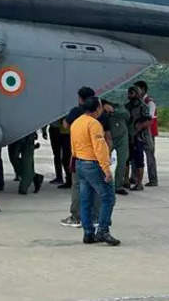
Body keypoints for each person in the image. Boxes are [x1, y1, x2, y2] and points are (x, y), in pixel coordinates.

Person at [70, 96, 120, 245]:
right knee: (108, 197)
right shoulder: (94, 124)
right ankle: (103, 231)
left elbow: (73, 146)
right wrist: (106, 169)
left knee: (86, 199)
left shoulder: (76, 123)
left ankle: (88, 233)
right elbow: (100, 148)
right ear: (97, 109)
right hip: (92, 164)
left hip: (80, 163)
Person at [62, 87, 102, 227]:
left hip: (80, 158)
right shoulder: (100, 117)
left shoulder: (77, 117)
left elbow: (66, 126)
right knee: (97, 188)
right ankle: (95, 217)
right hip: (96, 159)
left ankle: (77, 217)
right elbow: (106, 140)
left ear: (80, 99)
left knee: (78, 187)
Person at [125, 85, 152, 191]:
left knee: (139, 161)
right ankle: (126, 180)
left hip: (138, 137)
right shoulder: (126, 106)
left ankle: (139, 183)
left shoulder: (143, 107)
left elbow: (148, 121)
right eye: (129, 93)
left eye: (131, 93)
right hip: (128, 137)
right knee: (126, 160)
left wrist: (139, 127)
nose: (129, 95)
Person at [102, 99, 131, 196]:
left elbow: (127, 115)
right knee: (103, 161)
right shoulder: (99, 107)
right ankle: (102, 183)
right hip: (108, 137)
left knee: (122, 161)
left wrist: (113, 111)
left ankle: (118, 186)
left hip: (122, 137)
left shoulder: (119, 106)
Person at [135, 80, 158, 187]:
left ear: (143, 89)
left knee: (150, 157)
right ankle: (134, 178)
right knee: (137, 156)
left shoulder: (150, 102)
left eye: (137, 89)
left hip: (149, 133)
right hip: (140, 132)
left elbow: (150, 119)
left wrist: (139, 127)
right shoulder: (138, 102)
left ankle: (153, 180)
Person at [43, 118, 69, 185]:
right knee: (65, 156)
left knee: (59, 155)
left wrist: (44, 131)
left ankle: (61, 177)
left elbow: (47, 115)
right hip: (65, 130)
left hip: (58, 130)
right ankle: (68, 178)